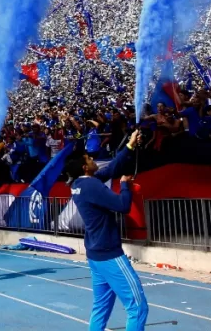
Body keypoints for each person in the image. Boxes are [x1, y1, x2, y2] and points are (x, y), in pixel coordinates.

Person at [65, 130, 148, 331]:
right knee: (138, 307)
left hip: (95, 254)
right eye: (89, 158)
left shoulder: (79, 184)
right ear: (85, 167)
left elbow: (111, 169)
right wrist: (125, 186)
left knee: (100, 307)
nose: (93, 158)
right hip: (109, 254)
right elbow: (122, 206)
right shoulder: (92, 185)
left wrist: (129, 145)